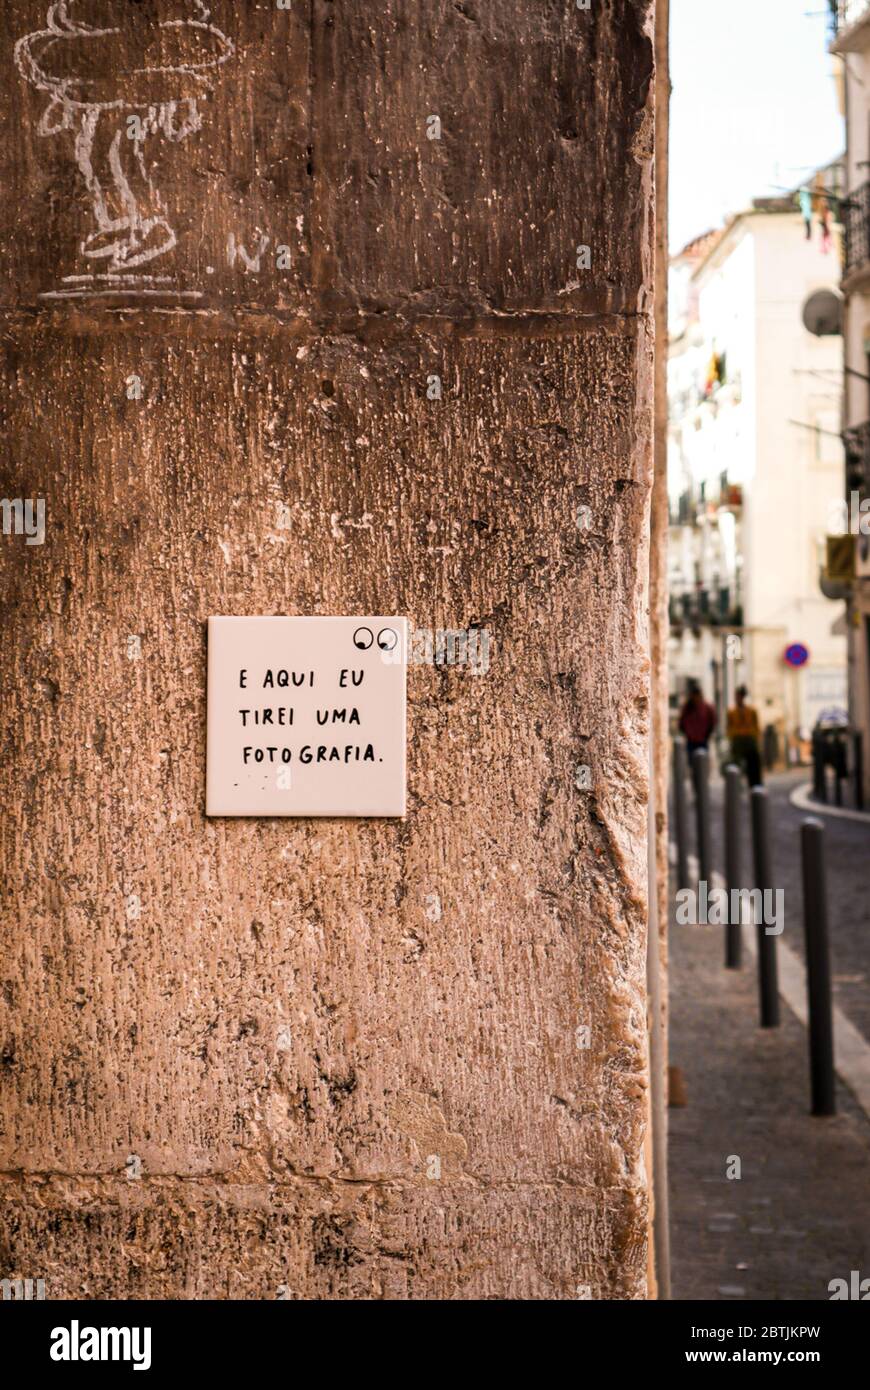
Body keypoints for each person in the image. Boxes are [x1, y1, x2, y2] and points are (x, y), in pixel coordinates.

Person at [727, 685, 763, 787]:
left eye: (738, 696)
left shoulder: (751, 711)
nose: (737, 698)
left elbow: (756, 727)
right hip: (738, 740)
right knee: (735, 765)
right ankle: (735, 785)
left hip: (749, 739)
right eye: (736, 696)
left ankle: (755, 784)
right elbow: (729, 727)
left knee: (753, 765)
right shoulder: (732, 712)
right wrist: (732, 738)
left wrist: (755, 739)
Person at [678, 680, 716, 760]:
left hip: (703, 740)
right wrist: (688, 734)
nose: (695, 698)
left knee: (702, 762)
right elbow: (681, 723)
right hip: (691, 741)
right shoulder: (687, 708)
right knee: (691, 761)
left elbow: (712, 722)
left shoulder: (707, 707)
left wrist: (707, 734)